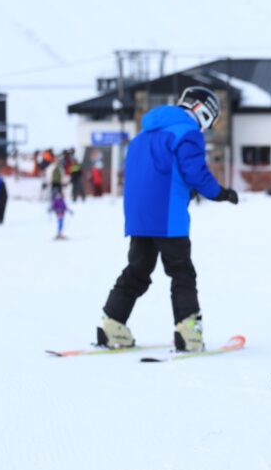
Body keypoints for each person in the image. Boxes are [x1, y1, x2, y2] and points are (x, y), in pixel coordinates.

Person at [96, 87, 239, 351]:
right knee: (181, 271)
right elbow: (195, 172)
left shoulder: (141, 137)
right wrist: (221, 193)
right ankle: (188, 333)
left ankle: (112, 324)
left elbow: (156, 173)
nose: (206, 128)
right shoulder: (187, 132)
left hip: (139, 217)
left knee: (137, 270)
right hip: (167, 216)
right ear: (203, 111)